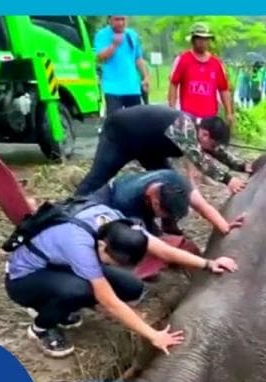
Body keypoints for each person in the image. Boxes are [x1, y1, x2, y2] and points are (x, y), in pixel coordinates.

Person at [4, 197, 237, 357]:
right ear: (103, 246)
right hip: (25, 278)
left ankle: (61, 306)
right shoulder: (80, 245)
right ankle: (40, 327)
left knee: (132, 287)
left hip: (60, 264)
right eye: (110, 261)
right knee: (81, 291)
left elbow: (164, 250)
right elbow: (110, 303)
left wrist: (208, 263)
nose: (110, 265)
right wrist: (153, 335)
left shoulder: (120, 225)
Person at [73, 104, 252, 233]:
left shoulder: (199, 133)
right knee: (98, 178)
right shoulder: (184, 126)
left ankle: (168, 223)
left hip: (149, 147)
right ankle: (72, 209)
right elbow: (199, 158)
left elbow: (216, 152)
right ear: (204, 134)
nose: (213, 149)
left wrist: (242, 166)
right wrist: (228, 179)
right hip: (120, 136)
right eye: (212, 144)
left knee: (171, 189)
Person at [88, 167, 244, 240]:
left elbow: (203, 206)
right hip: (113, 195)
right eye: (167, 215)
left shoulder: (177, 182)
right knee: (139, 241)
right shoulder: (126, 201)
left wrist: (225, 226)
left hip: (145, 190)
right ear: (155, 204)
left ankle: (167, 229)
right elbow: (142, 237)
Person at [168, 22, 234, 126]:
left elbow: (223, 89)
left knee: (206, 141)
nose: (203, 42)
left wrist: (229, 112)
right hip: (187, 116)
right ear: (193, 40)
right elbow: (173, 84)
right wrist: (172, 110)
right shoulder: (183, 59)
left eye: (205, 39)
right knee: (187, 142)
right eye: (199, 38)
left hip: (209, 118)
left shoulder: (216, 63)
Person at [94, 16, 149, 116]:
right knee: (115, 120)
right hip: (112, 88)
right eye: (117, 19)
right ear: (109, 20)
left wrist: (146, 77)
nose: (120, 23)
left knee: (135, 120)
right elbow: (99, 58)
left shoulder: (131, 34)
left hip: (132, 86)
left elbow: (138, 58)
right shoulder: (102, 35)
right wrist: (114, 45)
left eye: (123, 19)